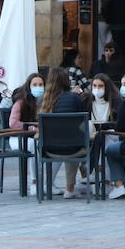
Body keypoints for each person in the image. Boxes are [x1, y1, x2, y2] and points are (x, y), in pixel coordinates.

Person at [39, 66, 85, 198]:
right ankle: (72, 187)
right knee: (77, 142)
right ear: (66, 80)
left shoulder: (44, 101)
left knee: (67, 142)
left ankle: (43, 184)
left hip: (49, 149)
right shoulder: (74, 98)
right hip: (74, 148)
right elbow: (83, 121)